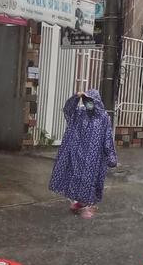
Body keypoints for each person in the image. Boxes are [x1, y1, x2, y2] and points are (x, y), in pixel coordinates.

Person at [48, 88, 118, 219]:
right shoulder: (79, 113)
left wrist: (111, 156)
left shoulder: (103, 117)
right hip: (76, 152)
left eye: (91, 101)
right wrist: (76, 97)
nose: (88, 103)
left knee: (89, 180)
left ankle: (87, 205)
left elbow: (107, 137)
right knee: (74, 177)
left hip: (93, 156)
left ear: (96, 101)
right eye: (86, 101)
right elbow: (67, 110)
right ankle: (78, 203)